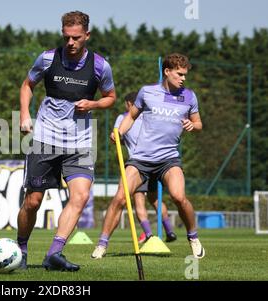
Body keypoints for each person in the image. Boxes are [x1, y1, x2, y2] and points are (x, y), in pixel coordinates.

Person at [18, 11, 116, 271]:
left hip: (80, 142)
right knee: (33, 201)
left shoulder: (99, 65)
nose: (70, 42)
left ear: (87, 35)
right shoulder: (48, 58)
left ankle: (54, 253)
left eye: (76, 38)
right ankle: (21, 250)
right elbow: (27, 85)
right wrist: (25, 115)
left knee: (81, 195)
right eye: (66, 37)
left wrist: (94, 103)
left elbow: (110, 96)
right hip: (45, 138)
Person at [92, 53, 205, 260]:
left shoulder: (189, 96)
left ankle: (193, 237)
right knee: (120, 198)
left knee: (179, 197)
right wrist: (120, 132)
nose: (183, 78)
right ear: (167, 71)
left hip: (169, 160)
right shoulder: (147, 92)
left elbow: (199, 124)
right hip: (141, 159)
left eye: (185, 75)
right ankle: (102, 244)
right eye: (179, 74)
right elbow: (132, 116)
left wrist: (193, 125)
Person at [91, 92, 177, 259]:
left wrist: (117, 137)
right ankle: (169, 230)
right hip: (148, 164)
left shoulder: (127, 117)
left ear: (130, 104)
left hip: (146, 164)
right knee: (154, 200)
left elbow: (117, 136)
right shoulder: (146, 116)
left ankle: (148, 235)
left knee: (135, 201)